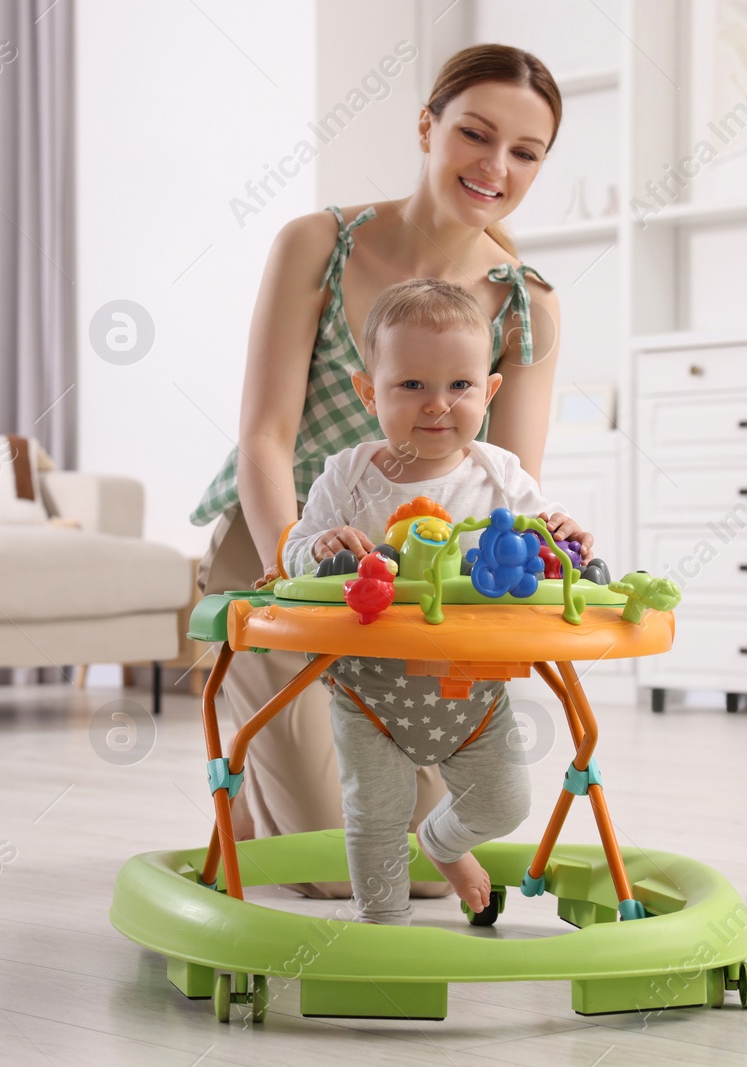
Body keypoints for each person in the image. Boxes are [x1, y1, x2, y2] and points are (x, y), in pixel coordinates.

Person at [192, 44, 586, 898]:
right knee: (343, 873)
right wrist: (292, 569)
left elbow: (510, 484)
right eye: (476, 135)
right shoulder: (319, 244)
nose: (496, 166)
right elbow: (265, 433)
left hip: (418, 578)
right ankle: (265, 780)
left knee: (432, 874)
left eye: (525, 152)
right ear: (427, 127)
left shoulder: (530, 303)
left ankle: (267, 795)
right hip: (283, 542)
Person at [282, 277, 593, 923]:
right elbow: (291, 555)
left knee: (505, 803)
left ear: (489, 391)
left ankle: (441, 841)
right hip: (371, 690)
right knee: (373, 817)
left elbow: (545, 540)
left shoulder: (499, 474)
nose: (437, 405)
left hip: (472, 691)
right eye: (411, 385)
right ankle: (384, 934)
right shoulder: (347, 474)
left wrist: (566, 538)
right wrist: (318, 549)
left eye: (460, 385)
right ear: (370, 392)